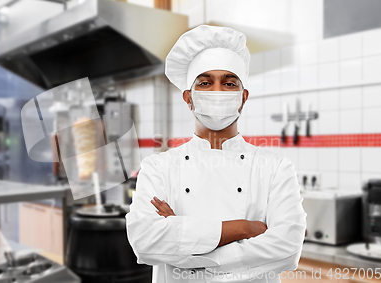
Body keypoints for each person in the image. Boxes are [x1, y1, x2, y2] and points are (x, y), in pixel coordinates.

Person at [125, 25, 307, 283]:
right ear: (189, 98)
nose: (218, 92)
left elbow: (287, 249)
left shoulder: (275, 168)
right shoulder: (158, 167)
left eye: (229, 83)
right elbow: (144, 241)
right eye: (206, 83)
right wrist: (244, 228)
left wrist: (187, 248)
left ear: (243, 98)